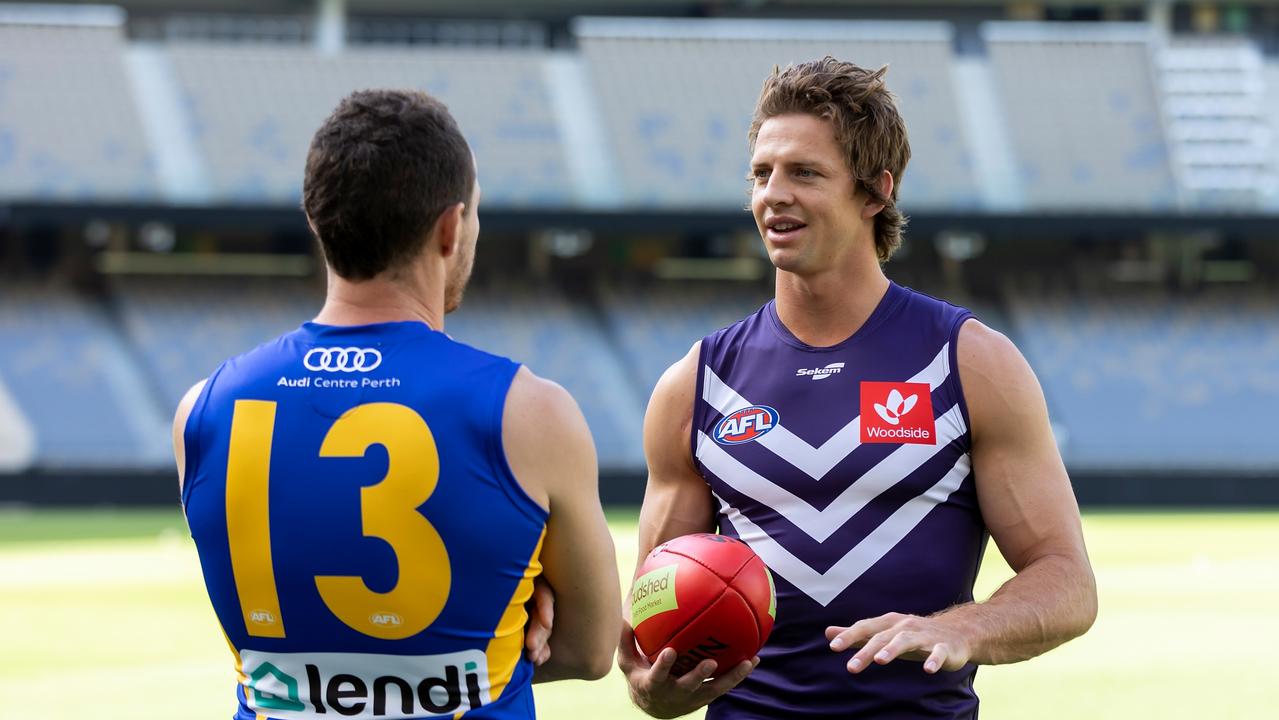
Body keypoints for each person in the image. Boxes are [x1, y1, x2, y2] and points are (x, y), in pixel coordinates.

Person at [618, 58, 1097, 718]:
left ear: (874, 192)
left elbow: (1067, 581)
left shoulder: (968, 362)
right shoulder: (695, 385)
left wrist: (960, 628)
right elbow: (653, 623)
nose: (772, 194)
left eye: (804, 173)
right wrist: (654, 690)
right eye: (761, 174)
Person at [172, 88, 620, 719]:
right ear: (448, 227)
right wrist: (508, 619)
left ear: (318, 220)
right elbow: (591, 649)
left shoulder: (202, 412)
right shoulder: (531, 412)